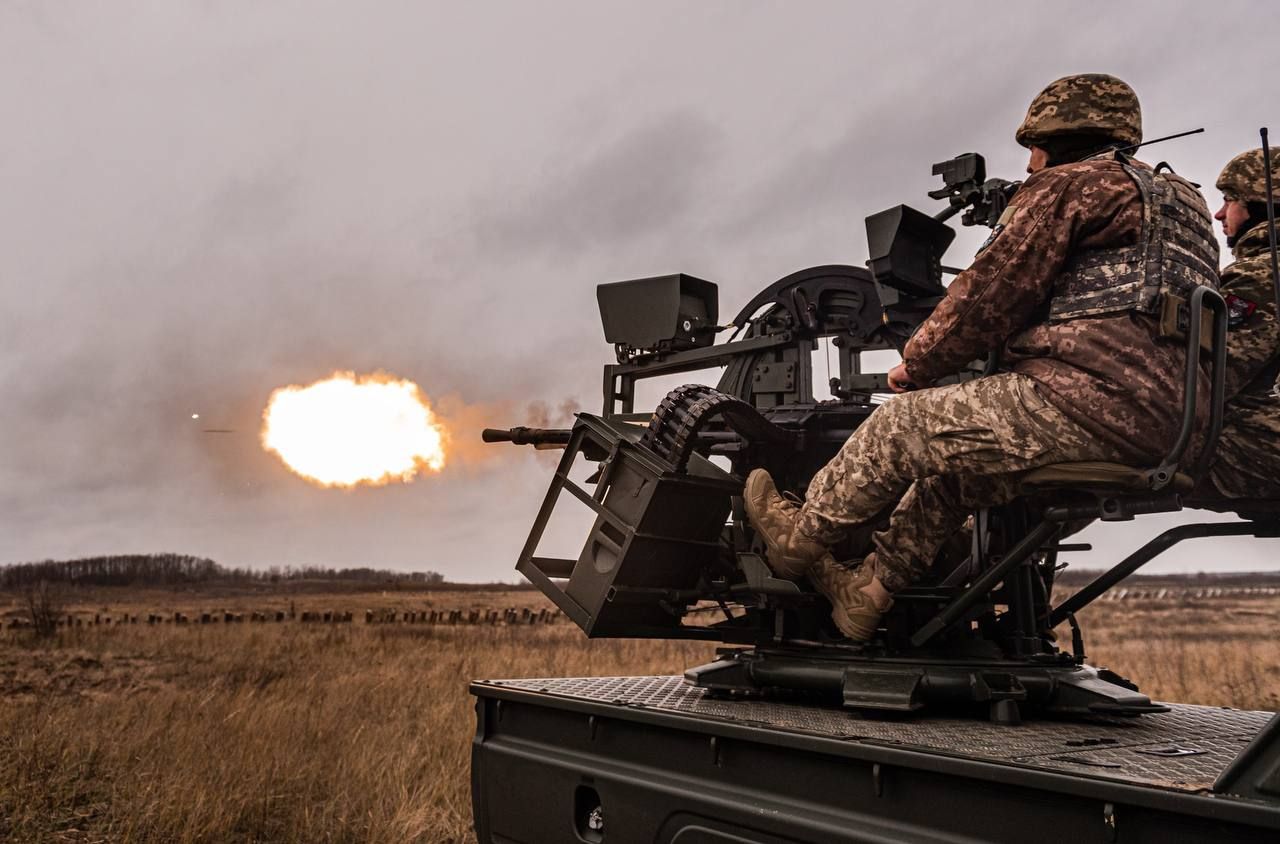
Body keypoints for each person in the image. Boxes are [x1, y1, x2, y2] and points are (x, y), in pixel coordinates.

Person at [746, 73, 1220, 641]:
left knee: (899, 424)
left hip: (1089, 404)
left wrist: (914, 365)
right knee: (951, 472)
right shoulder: (1185, 206)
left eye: (1034, 148)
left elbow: (988, 295)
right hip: (1176, 427)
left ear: (1064, 137)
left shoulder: (1074, 185)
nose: (1028, 166)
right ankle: (866, 595)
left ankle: (796, 542)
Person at [1188, 149, 1280, 506]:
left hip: (1266, 444)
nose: (1218, 213)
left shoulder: (1263, 275)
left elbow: (1207, 380)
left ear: (1262, 205)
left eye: (1229, 200)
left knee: (1135, 434)